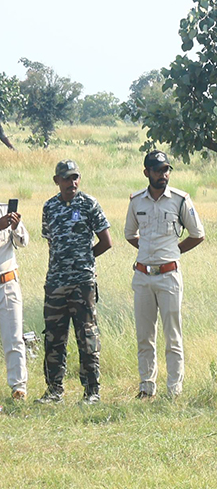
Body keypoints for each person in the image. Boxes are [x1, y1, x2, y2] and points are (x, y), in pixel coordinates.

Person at [123, 149, 205, 400]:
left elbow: (197, 234)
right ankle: (146, 387)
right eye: (158, 170)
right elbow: (130, 234)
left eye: (166, 170)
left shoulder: (180, 200)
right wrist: (147, 251)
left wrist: (173, 251)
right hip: (143, 276)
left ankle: (174, 390)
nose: (163, 175)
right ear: (146, 172)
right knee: (145, 336)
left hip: (169, 275)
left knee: (173, 335)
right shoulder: (137, 201)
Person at [38, 160, 112, 403]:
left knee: (87, 336)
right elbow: (51, 242)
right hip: (56, 283)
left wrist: (85, 260)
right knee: (53, 337)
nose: (72, 182)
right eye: (67, 178)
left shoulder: (89, 204)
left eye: (75, 177)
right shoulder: (49, 207)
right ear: (56, 180)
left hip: (82, 283)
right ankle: (54, 390)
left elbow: (106, 241)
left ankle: (92, 391)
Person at [1, 201, 30, 401]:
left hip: (7, 282)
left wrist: (15, 226)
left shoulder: (5, 210)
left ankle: (18, 388)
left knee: (14, 337)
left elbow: (23, 242)